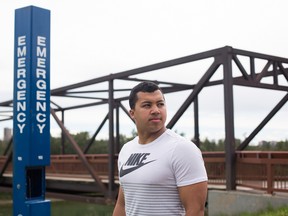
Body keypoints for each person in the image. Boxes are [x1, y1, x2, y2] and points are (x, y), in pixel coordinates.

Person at [112, 81, 208, 216]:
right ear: (132, 113)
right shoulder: (127, 150)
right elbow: (122, 204)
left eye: (160, 104)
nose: (156, 110)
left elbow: (195, 211)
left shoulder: (182, 149)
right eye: (147, 105)